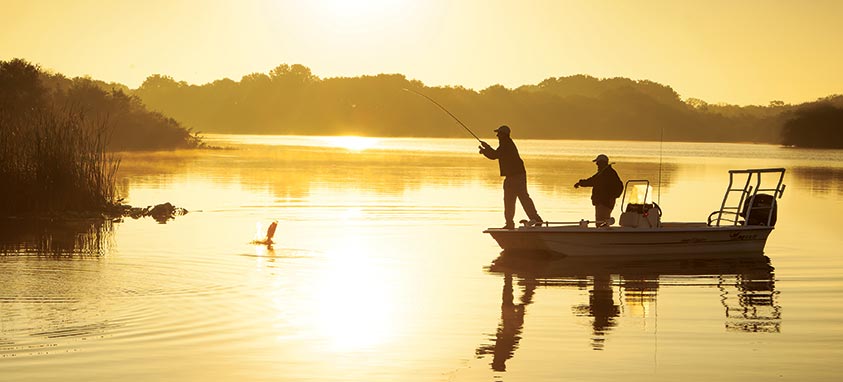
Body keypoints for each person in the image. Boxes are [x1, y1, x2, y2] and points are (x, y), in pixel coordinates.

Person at [479, 125, 543, 229]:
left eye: (499, 133)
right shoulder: (506, 144)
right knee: (512, 200)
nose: (497, 135)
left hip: (516, 177)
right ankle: (514, 223)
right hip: (514, 176)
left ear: (504, 135)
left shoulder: (506, 144)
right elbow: (496, 153)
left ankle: (532, 220)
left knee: (518, 199)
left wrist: (485, 150)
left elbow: (495, 155)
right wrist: (486, 148)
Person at [574, 154, 623, 226]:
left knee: (601, 222)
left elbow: (593, 181)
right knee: (602, 222)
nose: (596, 164)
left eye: (598, 162)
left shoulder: (607, 173)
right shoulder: (604, 172)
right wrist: (580, 183)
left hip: (604, 202)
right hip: (603, 201)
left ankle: (602, 236)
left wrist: (612, 197)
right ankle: (603, 235)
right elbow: (593, 180)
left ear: (602, 163)